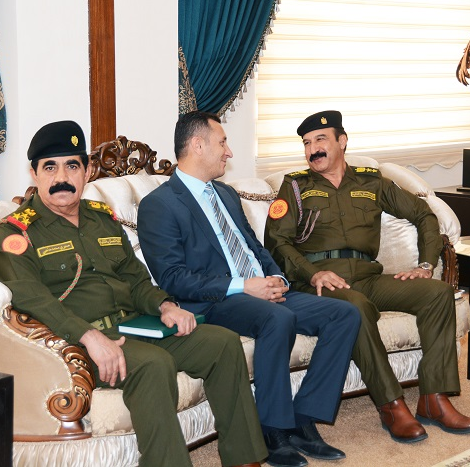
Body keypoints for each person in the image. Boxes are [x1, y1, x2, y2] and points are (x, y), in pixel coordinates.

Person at [0, 120, 266, 467]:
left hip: (133, 325)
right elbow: (32, 300)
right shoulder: (15, 233)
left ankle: (244, 460)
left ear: (86, 171)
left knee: (222, 343)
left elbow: (135, 278)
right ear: (34, 174)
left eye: (72, 166)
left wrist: (165, 306)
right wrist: (89, 336)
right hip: (75, 341)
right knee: (153, 364)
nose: (62, 177)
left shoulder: (102, 219)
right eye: (50, 167)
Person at [137, 112, 360, 467]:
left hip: (261, 290)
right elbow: (173, 278)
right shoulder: (159, 205)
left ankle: (303, 419)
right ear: (198, 145)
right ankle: (273, 430)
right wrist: (245, 286)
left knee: (344, 314)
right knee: (277, 319)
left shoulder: (226, 194)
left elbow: (254, 247)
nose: (228, 152)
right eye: (222, 142)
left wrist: (277, 279)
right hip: (215, 301)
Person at [264, 110, 470, 444]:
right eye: (306, 143)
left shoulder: (372, 181)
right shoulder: (295, 186)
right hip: (322, 282)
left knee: (437, 293)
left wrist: (425, 265)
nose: (312, 149)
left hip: (368, 275)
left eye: (320, 140)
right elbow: (276, 242)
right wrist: (313, 273)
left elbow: (423, 214)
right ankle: (391, 404)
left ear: (342, 141)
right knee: (355, 306)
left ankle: (434, 399)